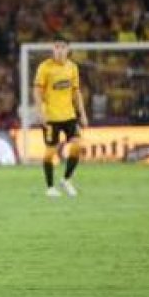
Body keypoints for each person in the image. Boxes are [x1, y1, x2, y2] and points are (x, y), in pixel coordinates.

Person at [33, 40, 87, 197]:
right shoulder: (45, 67)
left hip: (69, 115)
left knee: (77, 145)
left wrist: (82, 113)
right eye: (57, 47)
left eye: (63, 47)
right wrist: (39, 112)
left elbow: (76, 92)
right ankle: (50, 187)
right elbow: (37, 92)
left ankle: (66, 180)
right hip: (51, 117)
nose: (59, 50)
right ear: (53, 49)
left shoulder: (72, 67)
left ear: (68, 49)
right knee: (50, 152)